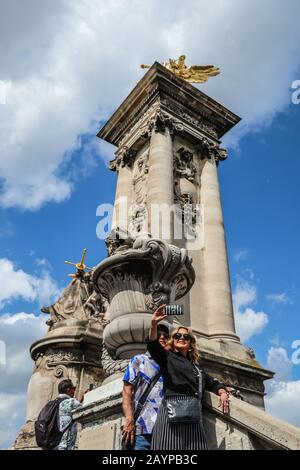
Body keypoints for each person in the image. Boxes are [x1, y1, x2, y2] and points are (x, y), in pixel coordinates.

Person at [147, 305, 230, 451]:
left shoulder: (196, 368)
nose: (182, 338)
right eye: (177, 336)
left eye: (186, 337)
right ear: (172, 340)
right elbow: (153, 345)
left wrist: (222, 391)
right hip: (171, 413)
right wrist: (153, 324)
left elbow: (211, 382)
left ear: (190, 343)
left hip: (193, 415)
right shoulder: (167, 357)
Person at [122, 323, 170, 451]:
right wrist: (129, 418)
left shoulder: (171, 364)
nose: (162, 337)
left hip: (165, 431)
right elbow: (127, 391)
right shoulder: (138, 360)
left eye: (166, 335)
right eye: (158, 334)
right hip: (141, 429)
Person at [55, 379, 84, 450]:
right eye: (73, 388)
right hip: (65, 446)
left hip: (55, 444)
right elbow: (85, 409)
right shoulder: (72, 402)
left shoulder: (54, 403)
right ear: (68, 390)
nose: (74, 391)